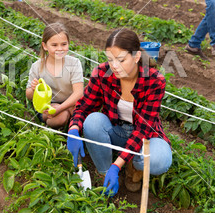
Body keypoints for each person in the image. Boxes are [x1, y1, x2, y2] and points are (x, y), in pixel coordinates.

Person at [66, 28, 172, 195]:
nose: (114, 66)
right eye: (110, 60)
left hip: (144, 135)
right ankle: (104, 172)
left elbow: (143, 129)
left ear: (136, 57)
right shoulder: (102, 73)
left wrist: (118, 165)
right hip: (116, 130)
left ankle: (132, 167)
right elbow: (84, 106)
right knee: (92, 121)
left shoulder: (154, 81)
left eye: (121, 60)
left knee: (159, 160)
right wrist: (73, 129)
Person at [26, 22, 84, 129]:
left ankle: (69, 121)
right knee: (61, 117)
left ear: (68, 44)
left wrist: (61, 107)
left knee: (77, 110)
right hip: (48, 105)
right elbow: (28, 95)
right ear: (45, 46)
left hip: (69, 101)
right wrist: (34, 90)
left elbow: (79, 93)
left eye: (64, 44)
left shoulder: (74, 63)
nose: (60, 49)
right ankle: (62, 123)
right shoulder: (37, 66)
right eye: (54, 45)